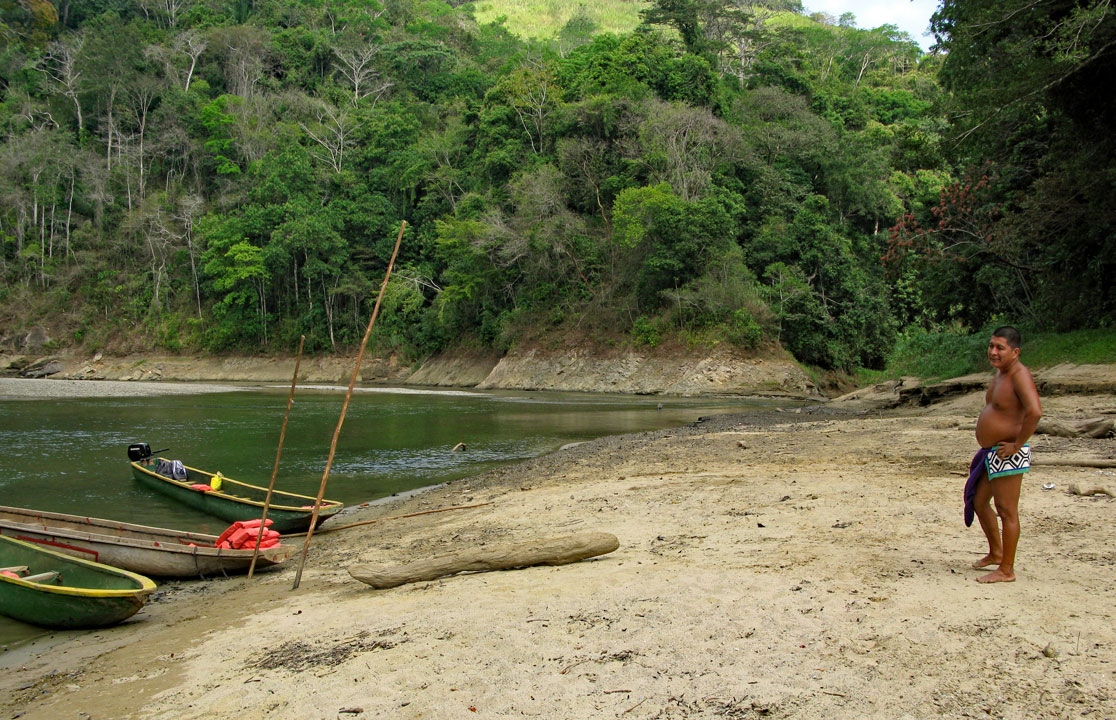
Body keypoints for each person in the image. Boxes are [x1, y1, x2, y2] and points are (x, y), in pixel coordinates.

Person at [963, 326, 1042, 583]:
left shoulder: (1019, 375)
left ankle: (1007, 570)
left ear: (1015, 352)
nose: (993, 352)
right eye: (991, 346)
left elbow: (1035, 411)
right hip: (994, 453)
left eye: (1000, 348)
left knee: (1006, 511)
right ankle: (996, 553)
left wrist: (1017, 445)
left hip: (1009, 452)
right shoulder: (1001, 374)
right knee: (978, 501)